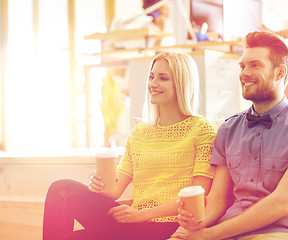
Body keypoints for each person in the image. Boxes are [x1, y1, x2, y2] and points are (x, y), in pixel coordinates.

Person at [171, 31, 288, 240]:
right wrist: (196, 222)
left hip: (281, 230)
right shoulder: (228, 129)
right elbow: (218, 200)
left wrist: (209, 235)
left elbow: (282, 203)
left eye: (255, 65)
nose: (244, 72)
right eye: (242, 66)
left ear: (279, 72)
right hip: (228, 229)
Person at [42, 51, 218, 240]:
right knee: (61, 189)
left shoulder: (202, 130)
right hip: (136, 222)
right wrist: (101, 185)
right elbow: (114, 190)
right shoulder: (140, 132)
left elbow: (198, 197)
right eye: (151, 77)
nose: (153, 84)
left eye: (163, 78)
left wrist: (142, 215)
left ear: (182, 84)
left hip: (171, 225)